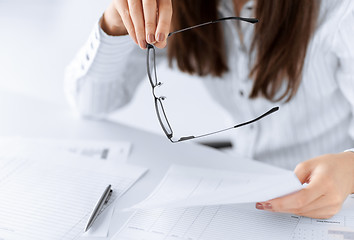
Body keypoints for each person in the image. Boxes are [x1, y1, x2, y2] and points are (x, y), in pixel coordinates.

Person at [65, 0, 354, 219]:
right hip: (241, 196)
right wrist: (115, 22)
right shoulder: (179, 7)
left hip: (334, 202)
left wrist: (349, 170)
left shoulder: (340, 12)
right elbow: (90, 102)